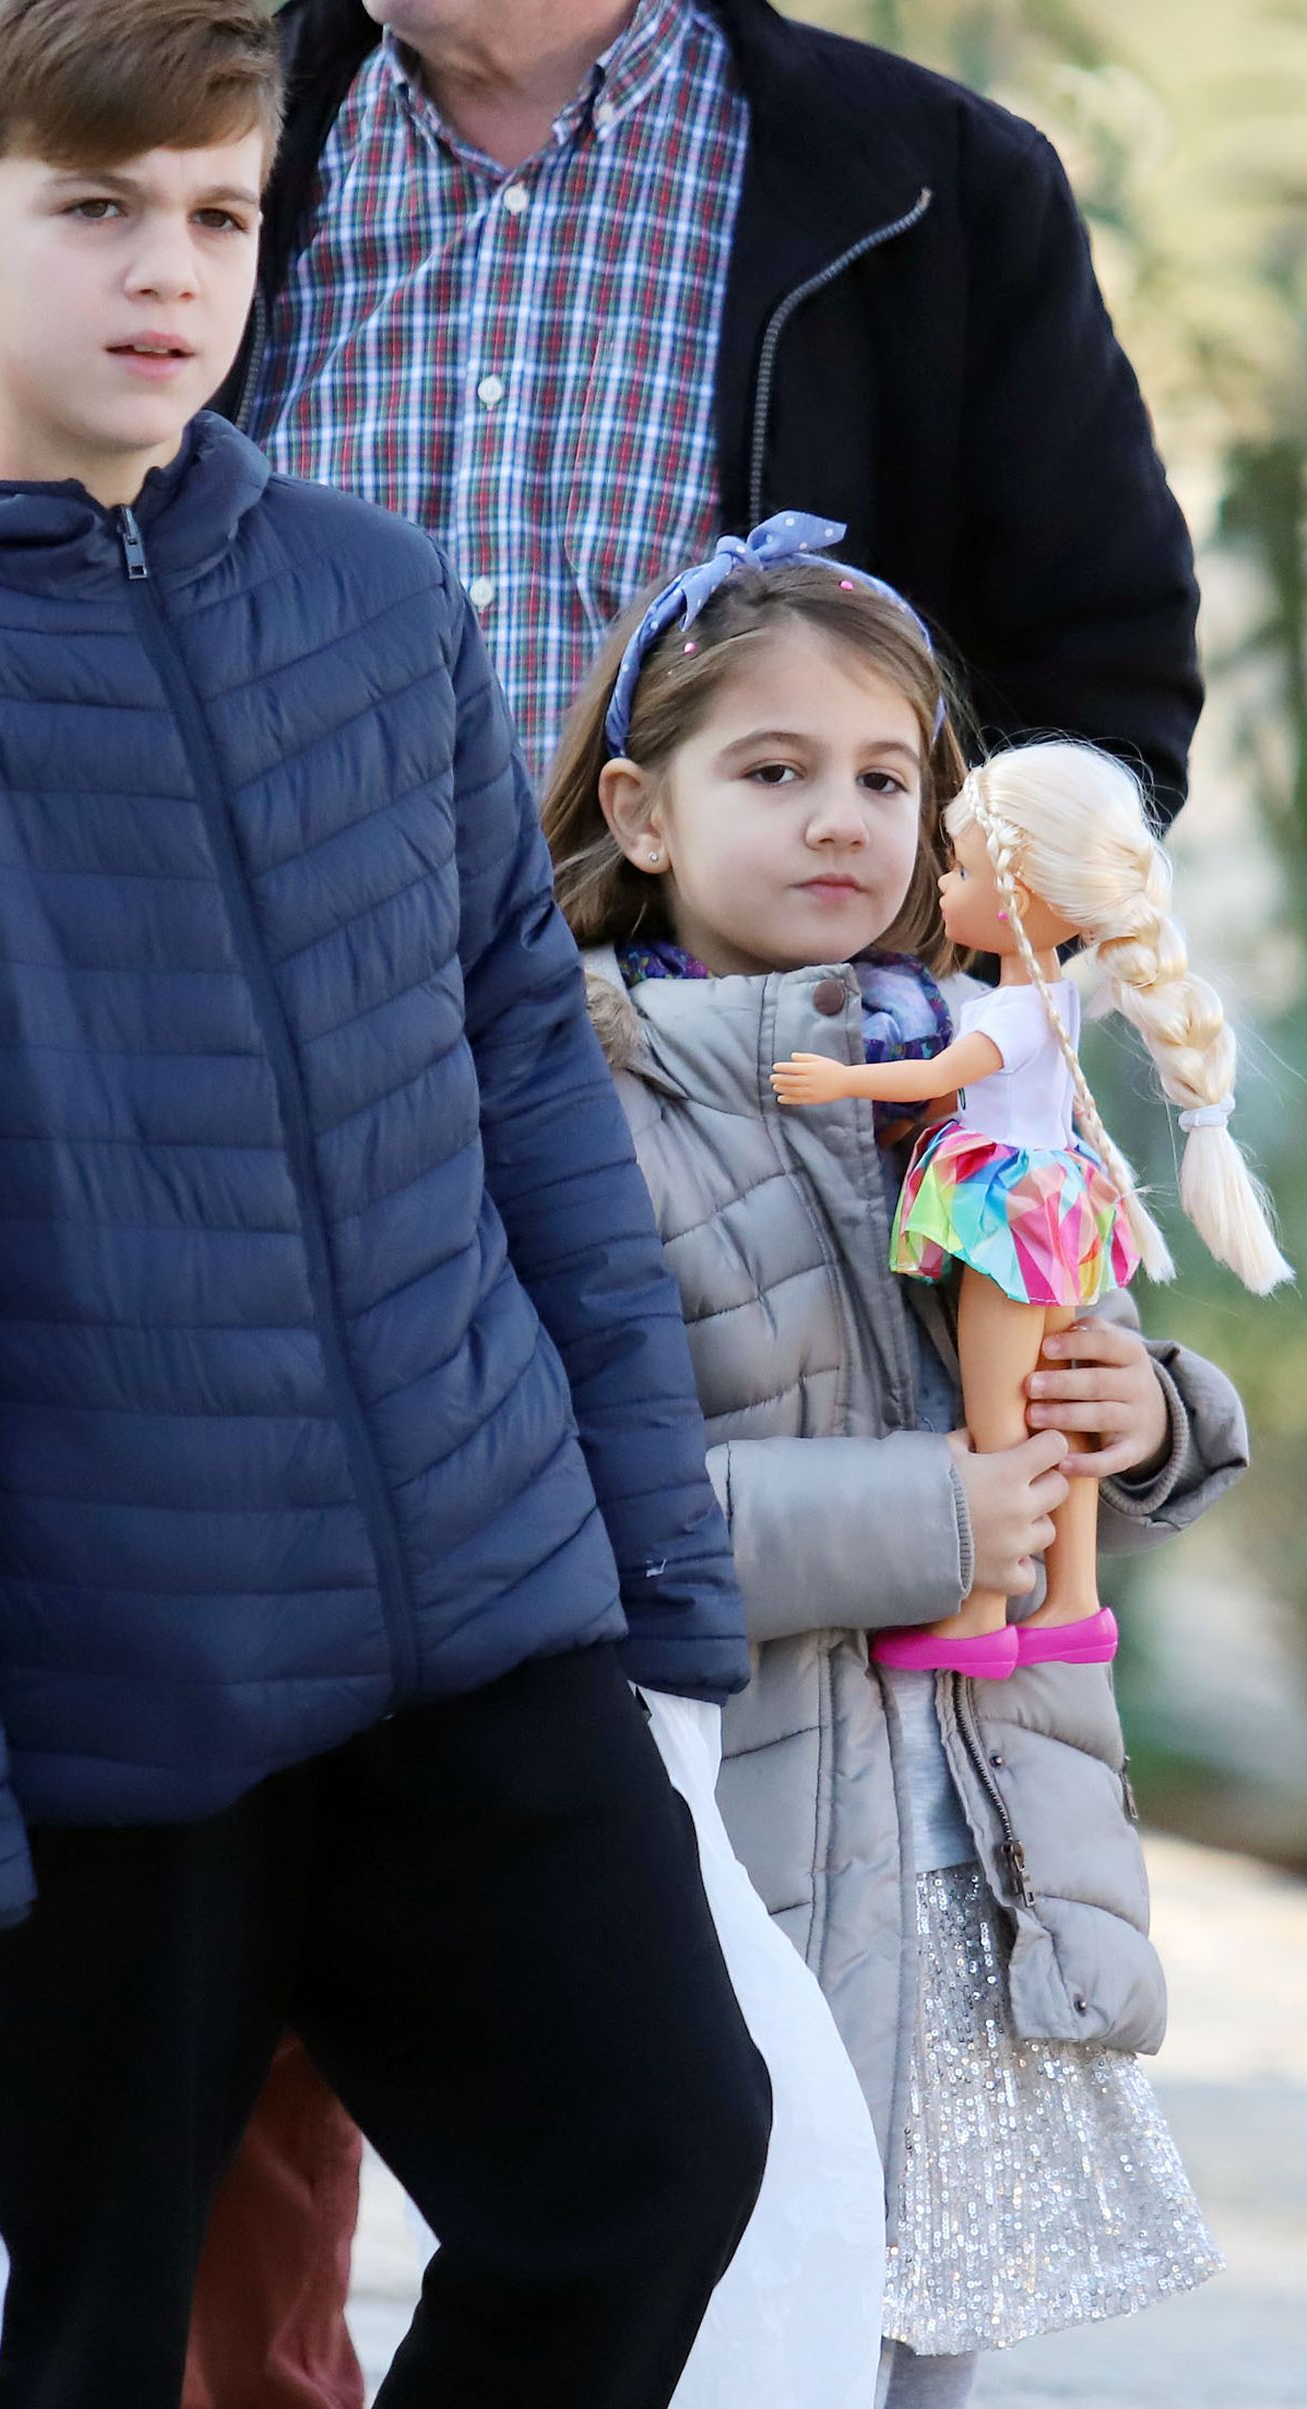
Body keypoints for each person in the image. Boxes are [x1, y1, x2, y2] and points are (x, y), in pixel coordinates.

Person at [0, 1, 779, 2400]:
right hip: (105, 1711)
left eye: (213, 212)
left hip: (471, 1631)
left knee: (657, 2156)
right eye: (90, 209)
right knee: (69, 2342)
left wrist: (653, 1590)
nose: (162, 272)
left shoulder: (383, 608)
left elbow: (534, 1124)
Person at [540, 510, 1246, 2405]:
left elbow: (1053, 1341)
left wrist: (1151, 1409)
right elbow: (563, 1509)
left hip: (974, 1839)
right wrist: (926, 1516)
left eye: (883, 774)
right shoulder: (579, 1103)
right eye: (773, 772)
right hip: (724, 1838)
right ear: (646, 804)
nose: (842, 818)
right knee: (733, 2322)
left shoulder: (981, 1063)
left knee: (927, 2335)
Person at [225, 0, 1202, 817]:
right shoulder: (180, 150)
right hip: (262, 1036)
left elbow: (1102, 689)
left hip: (756, 1046)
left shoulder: (938, 185)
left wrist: (902, 999)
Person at [774, 735, 1289, 1676]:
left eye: (963, 864)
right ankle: (1073, 1598)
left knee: (1002, 1415)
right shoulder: (1047, 993)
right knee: (1061, 1412)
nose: (941, 879)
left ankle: (979, 1611)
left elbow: (940, 1072)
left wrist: (836, 1077)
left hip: (1007, 1217)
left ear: (1020, 894)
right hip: (1055, 1207)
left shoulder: (1011, 1007)